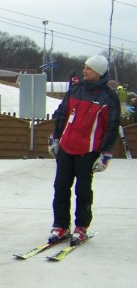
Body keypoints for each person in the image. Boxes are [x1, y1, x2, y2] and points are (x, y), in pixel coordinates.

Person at [48, 55, 120, 245]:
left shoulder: (109, 97)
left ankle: (81, 226)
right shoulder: (75, 89)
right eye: (84, 67)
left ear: (99, 72)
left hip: (87, 152)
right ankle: (61, 225)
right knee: (61, 188)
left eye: (88, 68)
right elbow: (63, 113)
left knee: (83, 191)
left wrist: (106, 154)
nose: (84, 71)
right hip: (66, 148)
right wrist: (55, 137)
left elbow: (112, 127)